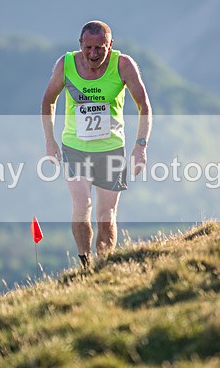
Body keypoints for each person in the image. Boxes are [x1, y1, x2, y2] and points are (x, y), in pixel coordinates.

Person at [41, 20, 152, 267]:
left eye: (99, 48)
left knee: (106, 215)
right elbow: (48, 100)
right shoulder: (66, 64)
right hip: (75, 147)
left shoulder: (123, 65)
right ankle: (85, 264)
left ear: (110, 45)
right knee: (82, 205)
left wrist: (140, 147)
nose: (93, 54)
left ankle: (104, 266)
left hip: (111, 149)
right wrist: (50, 141)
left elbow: (144, 105)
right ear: (80, 44)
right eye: (88, 47)